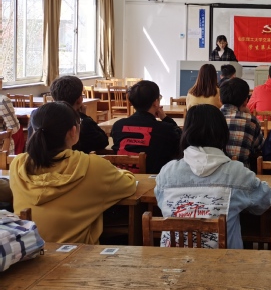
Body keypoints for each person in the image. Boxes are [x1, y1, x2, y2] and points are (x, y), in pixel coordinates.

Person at [10, 102, 136, 244]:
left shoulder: (18, 164)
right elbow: (129, 185)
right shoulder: (92, 166)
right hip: (76, 253)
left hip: (28, 250)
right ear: (73, 132)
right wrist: (117, 171)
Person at [155, 104, 271, 249]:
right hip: (224, 261)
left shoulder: (167, 172)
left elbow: (161, 203)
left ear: (186, 132)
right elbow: (265, 201)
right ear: (223, 133)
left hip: (172, 261)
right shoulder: (237, 173)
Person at [111, 81, 182, 174]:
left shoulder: (118, 126)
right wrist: (165, 118)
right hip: (154, 179)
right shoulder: (165, 129)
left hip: (124, 177)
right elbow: (181, 140)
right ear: (156, 102)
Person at [47, 75, 110, 154]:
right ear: (80, 100)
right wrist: (84, 116)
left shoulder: (46, 119)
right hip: (79, 160)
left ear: (53, 99)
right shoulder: (83, 122)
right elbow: (103, 142)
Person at [219, 77, 264, 168]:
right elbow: (259, 147)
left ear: (220, 99)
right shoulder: (251, 121)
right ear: (246, 101)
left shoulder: (210, 118)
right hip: (241, 172)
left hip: (213, 173)